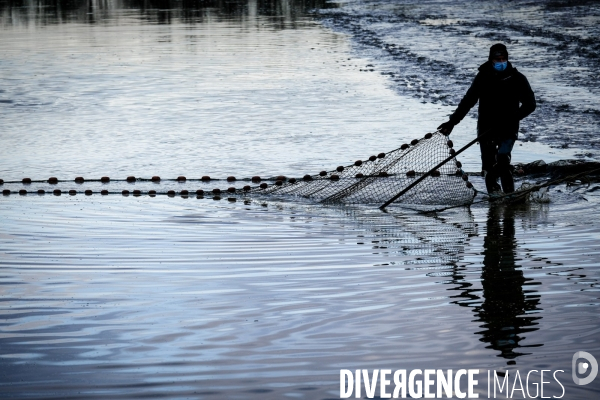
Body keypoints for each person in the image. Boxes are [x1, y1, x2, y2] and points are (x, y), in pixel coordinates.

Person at [438, 43, 536, 195]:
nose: (501, 62)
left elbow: (530, 104)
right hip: (486, 128)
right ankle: (494, 201)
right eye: (498, 59)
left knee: (503, 161)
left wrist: (512, 118)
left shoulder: (517, 79)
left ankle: (510, 197)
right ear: (491, 60)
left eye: (503, 59)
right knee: (489, 168)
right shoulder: (483, 77)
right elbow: (468, 101)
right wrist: (452, 122)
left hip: (508, 128)